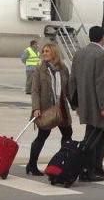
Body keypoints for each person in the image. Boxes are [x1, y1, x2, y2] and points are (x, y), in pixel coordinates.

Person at [68, 26, 104, 182]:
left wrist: (76, 104)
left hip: (84, 103)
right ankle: (88, 170)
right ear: (103, 38)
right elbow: (101, 82)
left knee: (100, 133)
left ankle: (97, 167)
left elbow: (72, 80)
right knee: (94, 137)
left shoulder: (79, 53)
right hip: (98, 105)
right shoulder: (102, 54)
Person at [26, 43, 73, 175]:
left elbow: (67, 89)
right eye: (43, 51)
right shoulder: (39, 69)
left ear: (54, 53)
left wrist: (75, 105)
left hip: (61, 107)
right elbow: (35, 91)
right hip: (46, 108)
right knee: (42, 136)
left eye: (47, 51)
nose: (44, 53)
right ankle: (32, 165)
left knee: (67, 134)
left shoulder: (63, 69)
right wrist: (36, 108)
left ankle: (63, 163)